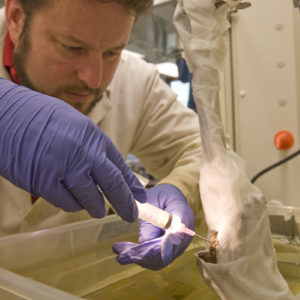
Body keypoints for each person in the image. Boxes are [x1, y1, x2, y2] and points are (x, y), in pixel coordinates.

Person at [0, 0, 202, 270]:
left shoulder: (135, 81)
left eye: (112, 52)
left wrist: (182, 188)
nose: (93, 79)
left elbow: (204, 152)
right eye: (72, 47)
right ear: (16, 18)